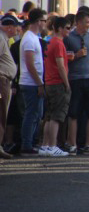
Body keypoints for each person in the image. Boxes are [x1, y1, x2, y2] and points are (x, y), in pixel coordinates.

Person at [64, 10, 89, 155]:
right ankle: (72, 144)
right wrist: (76, 55)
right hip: (75, 79)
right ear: (78, 23)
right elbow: (64, 58)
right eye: (87, 22)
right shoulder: (69, 38)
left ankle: (88, 144)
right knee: (73, 112)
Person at [40, 17, 71, 156]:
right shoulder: (58, 43)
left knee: (49, 116)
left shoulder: (50, 41)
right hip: (57, 83)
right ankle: (52, 146)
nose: (69, 30)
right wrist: (67, 83)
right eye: (67, 28)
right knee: (56, 116)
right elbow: (60, 65)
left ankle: (45, 145)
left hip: (49, 82)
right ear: (59, 28)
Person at [19, 9, 48, 155]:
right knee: (31, 114)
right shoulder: (29, 38)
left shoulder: (34, 37)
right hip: (30, 83)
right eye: (44, 20)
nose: (45, 24)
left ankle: (30, 142)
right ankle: (26, 144)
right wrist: (39, 83)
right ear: (38, 21)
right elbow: (29, 63)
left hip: (33, 82)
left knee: (37, 113)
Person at [0, 14, 18, 158]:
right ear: (9, 27)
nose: (17, 29)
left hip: (5, 80)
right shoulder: (1, 38)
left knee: (3, 115)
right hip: (2, 80)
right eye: (16, 26)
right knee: (1, 114)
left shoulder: (4, 39)